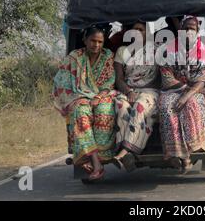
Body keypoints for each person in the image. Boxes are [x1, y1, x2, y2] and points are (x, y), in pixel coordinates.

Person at [53, 25, 117, 181]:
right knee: (80, 112)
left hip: (102, 94)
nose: (96, 45)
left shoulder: (107, 56)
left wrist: (98, 97)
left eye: (100, 42)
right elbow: (63, 82)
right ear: (85, 40)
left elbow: (109, 82)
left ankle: (97, 158)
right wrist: (82, 98)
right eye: (93, 41)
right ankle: (96, 163)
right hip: (79, 95)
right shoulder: (74, 57)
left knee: (105, 109)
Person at [158, 16, 205, 173]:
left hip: (193, 91)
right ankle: (176, 154)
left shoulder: (204, 50)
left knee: (191, 105)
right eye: (186, 28)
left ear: (197, 31)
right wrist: (186, 89)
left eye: (192, 29)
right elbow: (167, 77)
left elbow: (203, 78)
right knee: (167, 107)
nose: (188, 31)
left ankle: (188, 155)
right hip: (173, 89)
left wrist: (187, 95)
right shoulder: (168, 49)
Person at [113, 21, 160, 171]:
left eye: (141, 30)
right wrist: (129, 91)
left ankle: (125, 151)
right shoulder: (122, 51)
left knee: (139, 107)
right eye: (135, 30)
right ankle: (128, 155)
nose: (138, 32)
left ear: (148, 33)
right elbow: (119, 79)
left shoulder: (156, 51)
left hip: (150, 92)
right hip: (128, 90)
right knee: (121, 106)